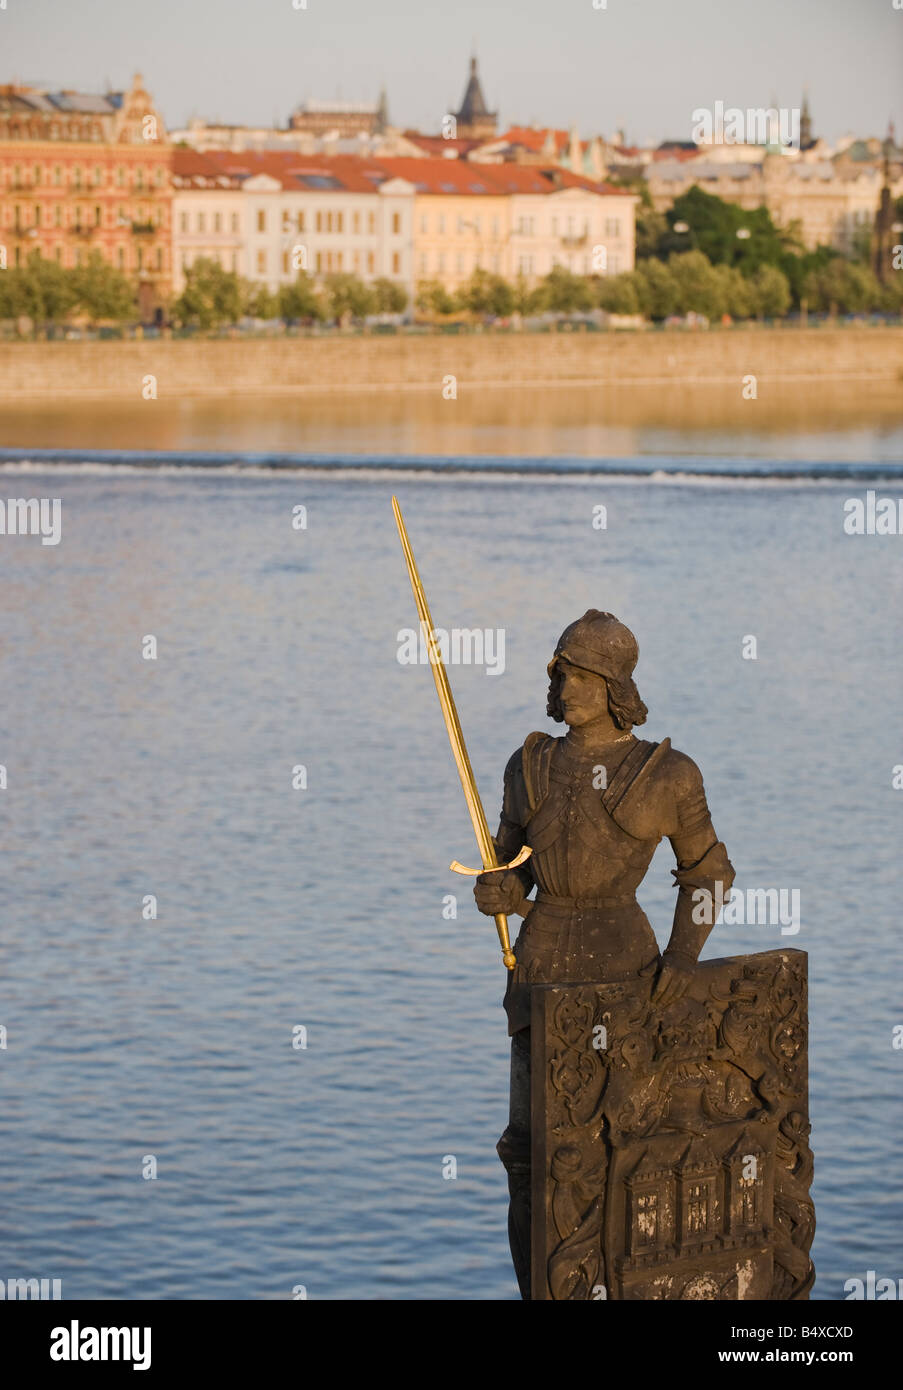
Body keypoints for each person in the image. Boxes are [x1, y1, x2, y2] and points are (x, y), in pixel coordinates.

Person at [474, 610, 735, 1299]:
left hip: (626, 968)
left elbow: (709, 874)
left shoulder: (667, 775)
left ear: (614, 684)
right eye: (559, 670)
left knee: (622, 1149)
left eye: (580, 673)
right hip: (538, 969)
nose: (564, 685)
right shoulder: (527, 763)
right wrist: (501, 885)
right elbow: (513, 861)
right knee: (527, 1155)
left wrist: (682, 957)